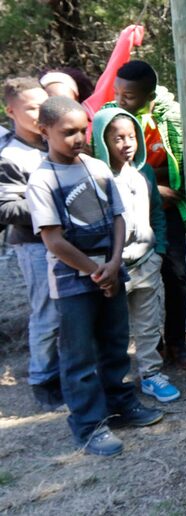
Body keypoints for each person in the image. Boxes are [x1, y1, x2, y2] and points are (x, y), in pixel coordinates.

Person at [26, 96, 163, 456]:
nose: (78, 139)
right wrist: (94, 271)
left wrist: (114, 264)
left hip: (111, 273)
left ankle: (121, 405)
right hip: (74, 282)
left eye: (82, 131)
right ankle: (89, 425)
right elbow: (54, 240)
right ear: (45, 132)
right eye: (68, 132)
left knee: (115, 344)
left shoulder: (97, 168)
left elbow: (119, 218)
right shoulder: (42, 180)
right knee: (79, 356)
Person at [104, 60, 186, 369]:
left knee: (177, 276)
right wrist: (156, 185)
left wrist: (158, 184)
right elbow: (110, 166)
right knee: (139, 281)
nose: (120, 100)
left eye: (128, 96)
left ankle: (177, 343)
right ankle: (150, 345)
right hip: (128, 215)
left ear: (150, 95)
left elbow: (182, 163)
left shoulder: (170, 119)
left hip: (166, 213)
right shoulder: (112, 119)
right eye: (117, 93)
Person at [92, 107, 181, 402]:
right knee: (112, 328)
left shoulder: (142, 173)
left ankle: (151, 375)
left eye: (131, 137)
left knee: (148, 323)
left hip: (146, 262)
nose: (126, 144)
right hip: (114, 268)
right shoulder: (96, 177)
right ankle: (112, 383)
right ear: (103, 141)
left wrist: (159, 250)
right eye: (117, 138)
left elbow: (156, 210)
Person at [0, 77, 61, 411]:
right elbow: (6, 207)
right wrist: (51, 205)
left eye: (43, 104)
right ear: (11, 111)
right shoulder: (10, 155)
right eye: (31, 108)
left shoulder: (54, 140)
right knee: (47, 312)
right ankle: (43, 380)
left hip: (67, 242)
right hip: (34, 246)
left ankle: (69, 372)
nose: (40, 113)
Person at [41, 24, 145, 138]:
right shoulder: (39, 129)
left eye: (65, 98)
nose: (60, 104)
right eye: (51, 98)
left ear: (76, 98)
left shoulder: (94, 115)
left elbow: (112, 73)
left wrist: (126, 40)